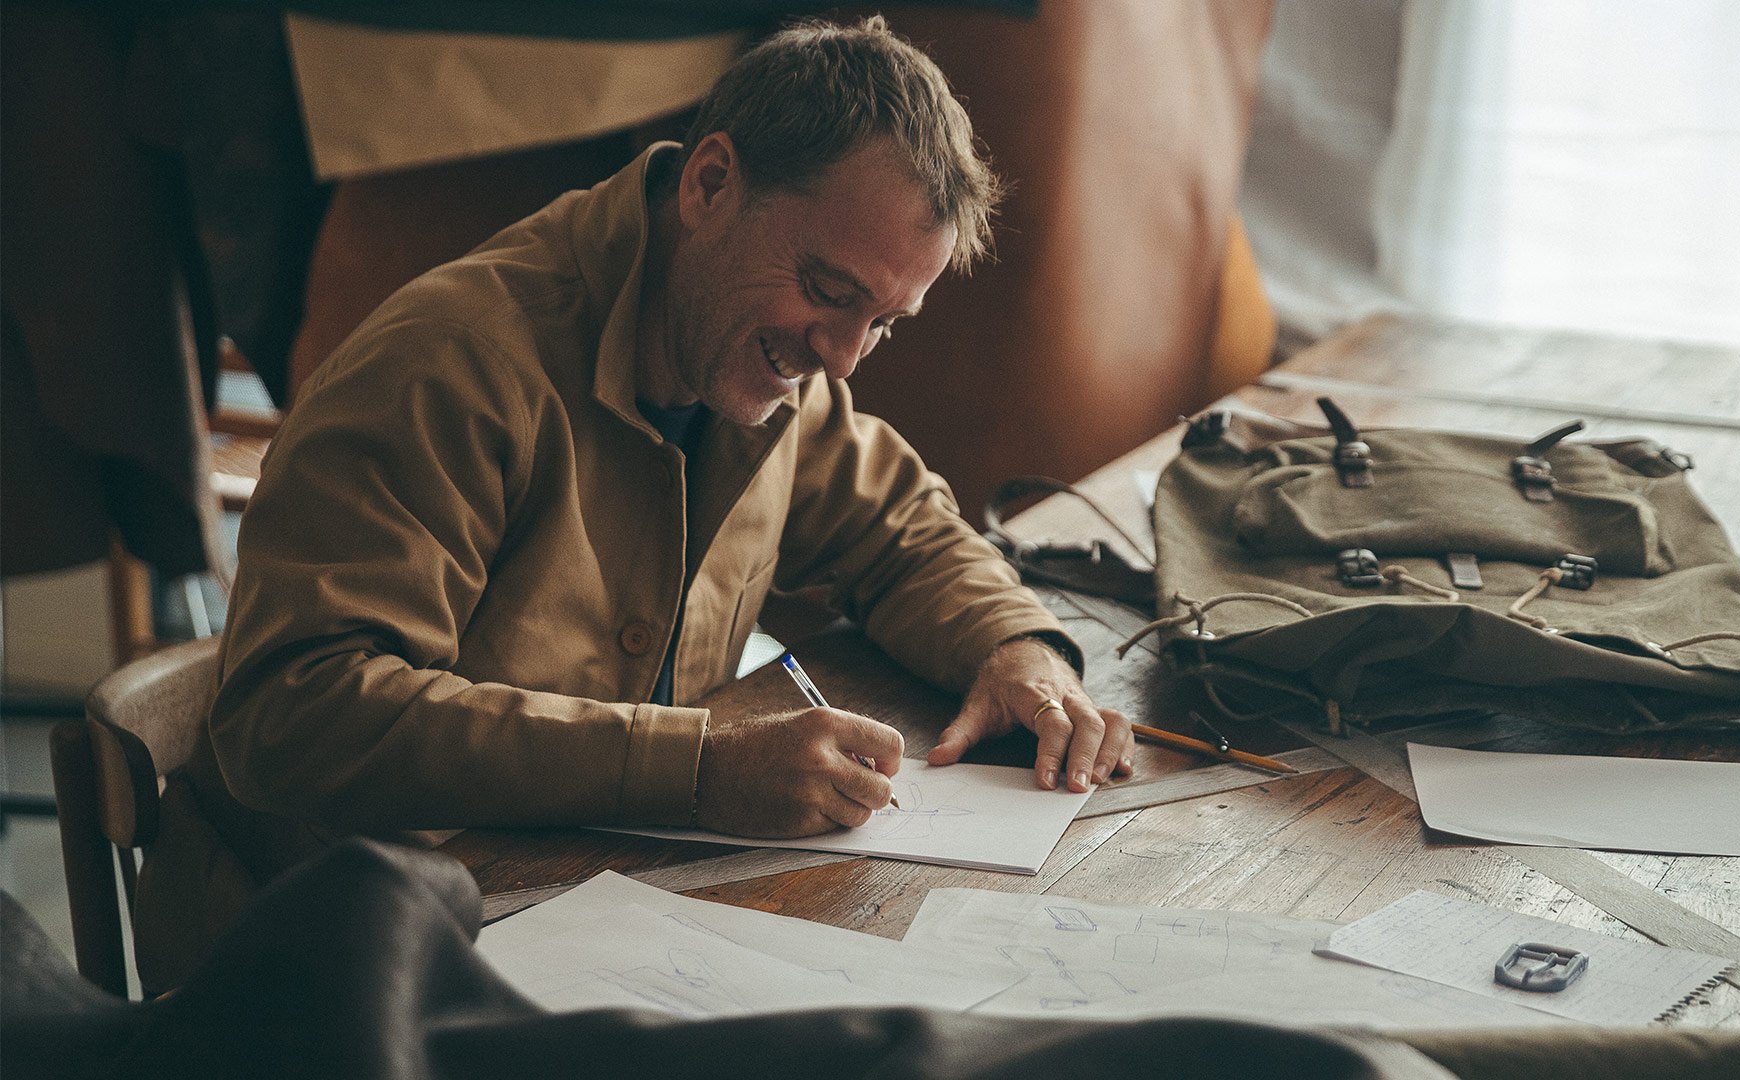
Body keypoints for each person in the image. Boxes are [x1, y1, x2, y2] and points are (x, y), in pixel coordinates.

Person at [137, 16, 1132, 991]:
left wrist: (1016, 649)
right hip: (322, 971)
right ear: (708, 185)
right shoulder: (451, 366)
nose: (839, 358)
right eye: (828, 291)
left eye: (884, 323)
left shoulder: (770, 364)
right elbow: (294, 715)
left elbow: (905, 532)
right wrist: (696, 768)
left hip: (573, 915)